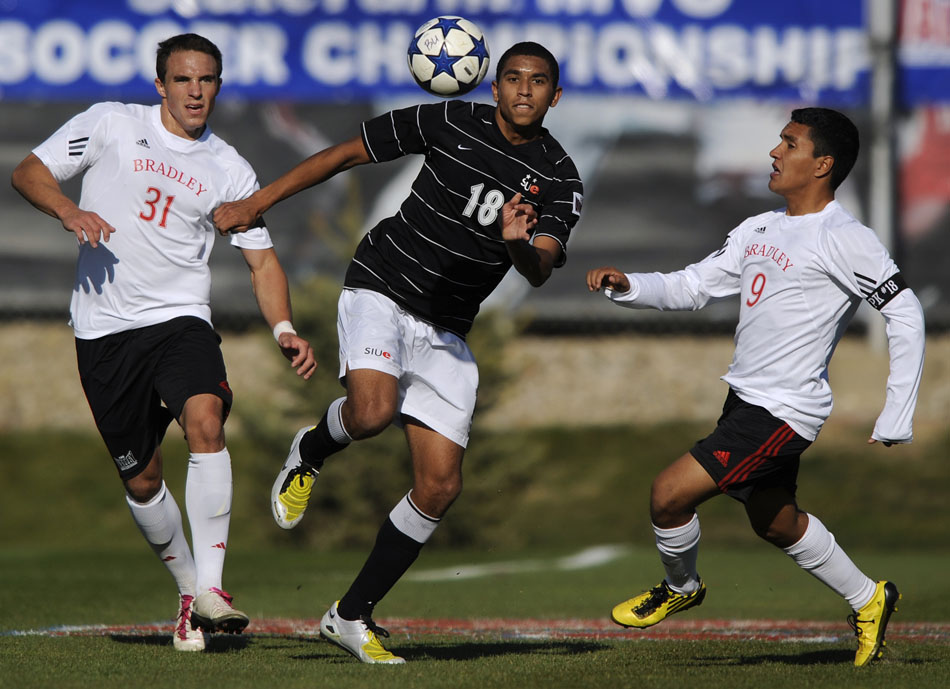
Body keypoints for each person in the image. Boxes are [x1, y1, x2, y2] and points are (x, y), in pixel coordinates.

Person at [214, 41, 583, 664]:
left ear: (556, 94)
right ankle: (311, 446)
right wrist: (257, 203)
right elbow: (342, 155)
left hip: (448, 330)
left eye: (538, 81)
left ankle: (350, 616)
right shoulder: (442, 120)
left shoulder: (561, 178)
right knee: (371, 413)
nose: (524, 90)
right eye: (512, 79)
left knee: (439, 488)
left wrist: (517, 243)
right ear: (492, 87)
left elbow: (540, 268)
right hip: (382, 285)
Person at [586, 107, 924, 667]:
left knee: (668, 495)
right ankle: (870, 599)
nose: (774, 152)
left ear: (822, 165)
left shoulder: (845, 237)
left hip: (783, 412)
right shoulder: (758, 228)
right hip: (744, 399)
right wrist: (629, 285)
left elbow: (906, 313)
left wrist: (896, 415)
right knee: (775, 520)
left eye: (789, 144)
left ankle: (681, 587)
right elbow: (692, 286)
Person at [11, 33, 316, 652]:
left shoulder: (230, 168)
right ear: (160, 85)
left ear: (219, 86)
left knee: (206, 421)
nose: (195, 91)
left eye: (206, 80)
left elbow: (263, 264)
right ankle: (188, 594)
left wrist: (283, 328)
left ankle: (213, 588)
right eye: (182, 80)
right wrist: (68, 212)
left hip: (181, 320)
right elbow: (29, 172)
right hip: (103, 330)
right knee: (143, 480)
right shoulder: (111, 125)